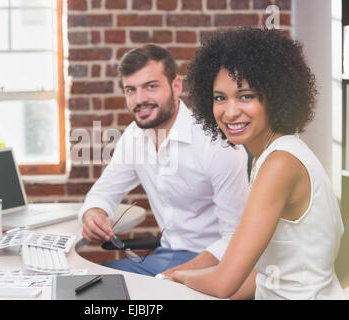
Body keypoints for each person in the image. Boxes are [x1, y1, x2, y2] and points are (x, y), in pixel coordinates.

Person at [169, 27, 345, 300]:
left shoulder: (280, 164)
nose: (230, 111)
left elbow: (223, 283)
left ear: (275, 97)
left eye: (246, 96)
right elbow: (263, 277)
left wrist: (176, 276)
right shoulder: (270, 154)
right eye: (219, 98)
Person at [78, 44, 250, 277]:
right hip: (165, 256)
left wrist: (173, 277)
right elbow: (102, 193)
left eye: (150, 86)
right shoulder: (134, 136)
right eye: (131, 90)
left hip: (213, 263)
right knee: (88, 285)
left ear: (176, 86)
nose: (140, 99)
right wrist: (93, 214)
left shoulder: (216, 143)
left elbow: (238, 239)